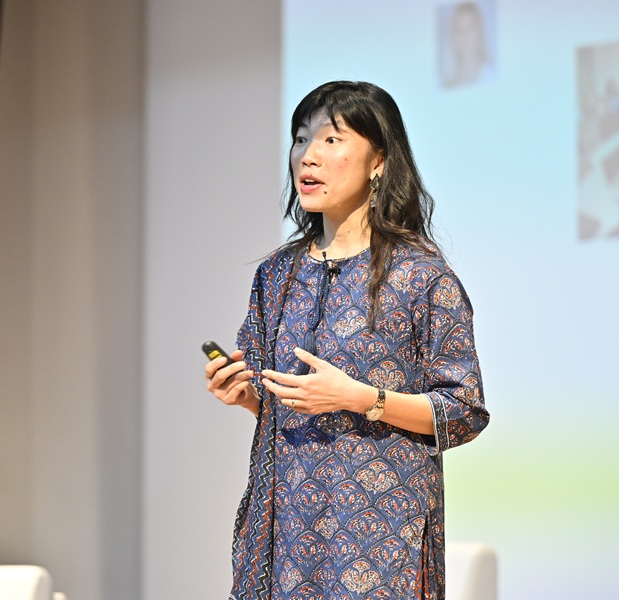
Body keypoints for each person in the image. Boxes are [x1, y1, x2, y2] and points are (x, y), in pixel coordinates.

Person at [205, 81, 490, 600]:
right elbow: (279, 404)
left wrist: (364, 399)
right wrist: (246, 395)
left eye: (331, 140)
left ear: (378, 161)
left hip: (381, 543)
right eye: (300, 139)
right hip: (286, 534)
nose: (307, 156)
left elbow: (464, 411)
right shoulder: (276, 276)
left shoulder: (420, 276)